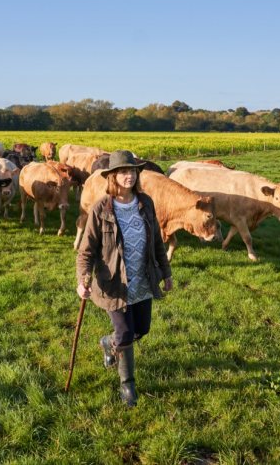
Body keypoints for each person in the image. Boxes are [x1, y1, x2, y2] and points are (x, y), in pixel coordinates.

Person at [76, 150, 173, 407]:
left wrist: (167, 272)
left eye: (132, 171)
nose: (128, 176)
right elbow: (86, 250)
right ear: (113, 177)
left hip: (142, 279)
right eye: (123, 172)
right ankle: (127, 386)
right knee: (127, 332)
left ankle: (109, 342)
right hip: (115, 284)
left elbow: (157, 242)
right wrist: (82, 278)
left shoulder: (146, 203)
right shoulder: (101, 209)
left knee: (142, 328)